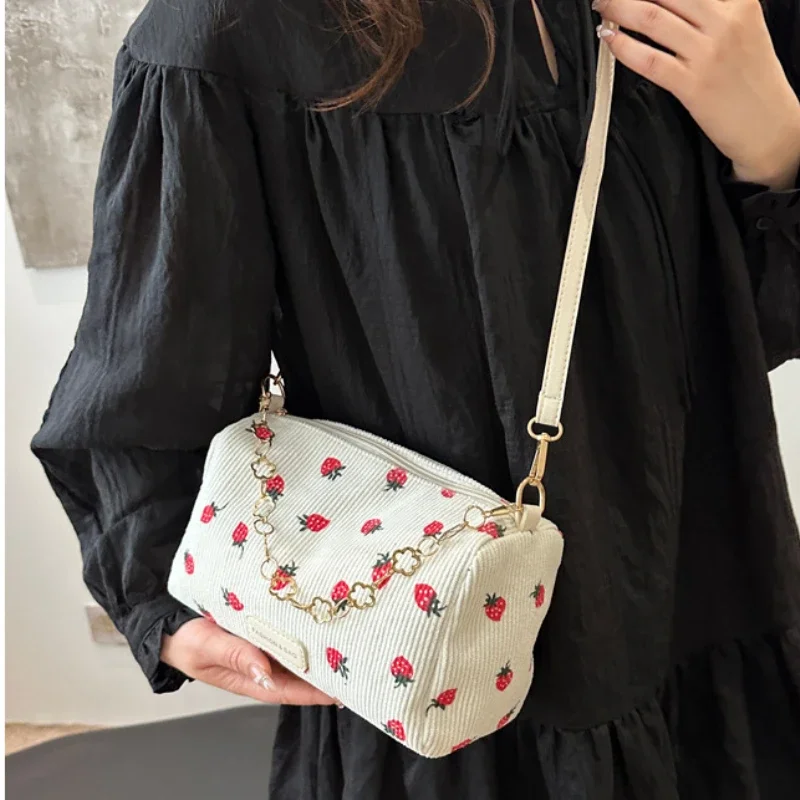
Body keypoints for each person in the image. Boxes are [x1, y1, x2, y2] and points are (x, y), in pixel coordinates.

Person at [31, 0, 800, 797]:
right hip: (433, 665)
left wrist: (780, 147)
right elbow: (152, 368)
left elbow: (747, 333)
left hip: (714, 605)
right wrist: (159, 590)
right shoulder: (238, 27)